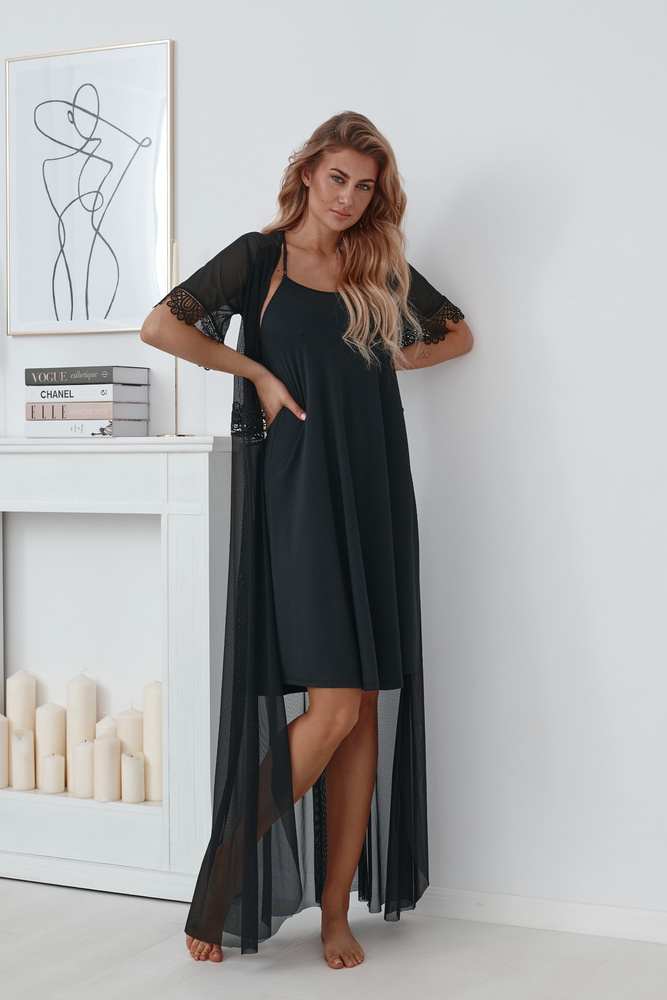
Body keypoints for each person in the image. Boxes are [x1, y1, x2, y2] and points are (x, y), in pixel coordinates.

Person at [140, 111, 473, 970]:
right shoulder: (259, 260)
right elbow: (163, 326)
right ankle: (223, 876)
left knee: (358, 712)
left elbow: (456, 333)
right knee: (332, 710)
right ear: (306, 174)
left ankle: (333, 913)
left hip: (373, 492)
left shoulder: (377, 266)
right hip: (297, 496)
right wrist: (254, 370)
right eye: (337, 179)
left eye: (364, 186)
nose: (348, 198)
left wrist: (386, 358)